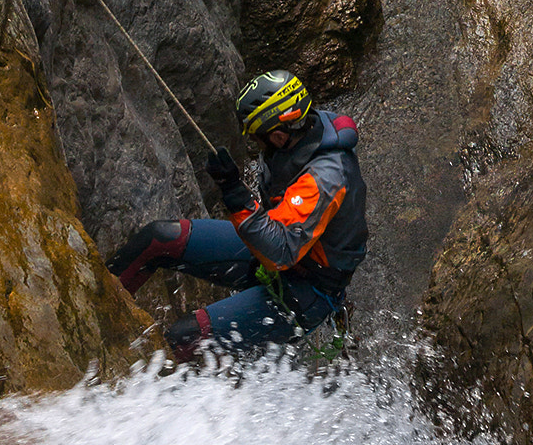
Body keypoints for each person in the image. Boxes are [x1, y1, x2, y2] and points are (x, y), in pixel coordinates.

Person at [106, 69, 368, 361]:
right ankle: (95, 316)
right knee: (160, 239)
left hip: (306, 290)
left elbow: (279, 253)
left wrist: (235, 195)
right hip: (275, 251)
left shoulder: (325, 178)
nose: (256, 144)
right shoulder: (301, 135)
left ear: (279, 135)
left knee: (187, 338)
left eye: (257, 137)